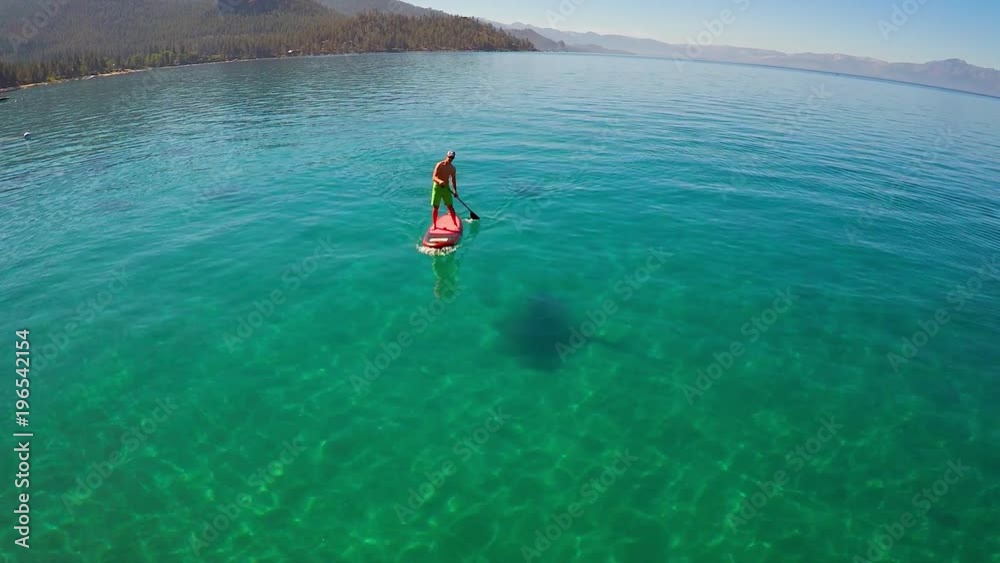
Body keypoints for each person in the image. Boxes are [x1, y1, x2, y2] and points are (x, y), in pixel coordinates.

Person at [431, 150, 459, 230]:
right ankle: (434, 225)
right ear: (446, 156)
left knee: (450, 206)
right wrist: (440, 181)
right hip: (437, 187)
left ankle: (455, 224)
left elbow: (453, 180)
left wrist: (455, 191)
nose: (450, 159)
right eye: (449, 157)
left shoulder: (452, 168)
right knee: (436, 207)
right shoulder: (439, 165)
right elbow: (433, 177)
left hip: (446, 187)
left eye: (452, 158)